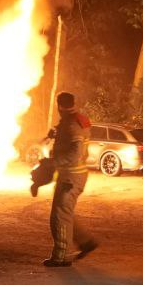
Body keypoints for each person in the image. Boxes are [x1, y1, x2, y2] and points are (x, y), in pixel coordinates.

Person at [42, 91, 99, 266]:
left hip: (71, 176)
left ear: (59, 106)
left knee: (59, 216)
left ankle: (62, 256)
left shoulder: (71, 124)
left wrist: (54, 162)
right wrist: (55, 134)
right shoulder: (76, 119)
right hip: (74, 174)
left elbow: (75, 153)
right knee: (66, 213)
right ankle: (86, 241)